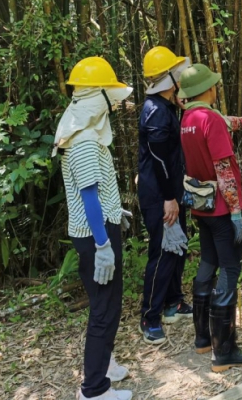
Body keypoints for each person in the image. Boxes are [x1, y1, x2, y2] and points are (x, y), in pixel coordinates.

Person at [53, 57, 133, 400]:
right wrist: (104, 244)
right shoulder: (84, 139)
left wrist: (116, 211)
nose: (113, 107)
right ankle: (94, 389)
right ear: (96, 100)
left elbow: (95, 192)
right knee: (105, 308)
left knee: (108, 302)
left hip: (94, 228)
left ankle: (106, 363)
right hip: (94, 235)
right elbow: (88, 197)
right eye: (109, 101)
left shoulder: (76, 130)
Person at [178, 63, 242, 371]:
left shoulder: (188, 117)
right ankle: (223, 350)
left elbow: (225, 121)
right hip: (222, 208)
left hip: (201, 205)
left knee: (208, 262)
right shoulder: (209, 120)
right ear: (209, 89)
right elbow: (224, 169)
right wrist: (237, 211)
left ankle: (203, 338)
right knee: (229, 268)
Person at [137, 46, 192, 344]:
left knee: (177, 249)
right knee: (162, 253)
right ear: (167, 77)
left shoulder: (164, 105)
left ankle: (173, 302)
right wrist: (170, 198)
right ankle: (150, 316)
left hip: (171, 191)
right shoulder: (156, 111)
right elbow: (158, 161)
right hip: (160, 195)